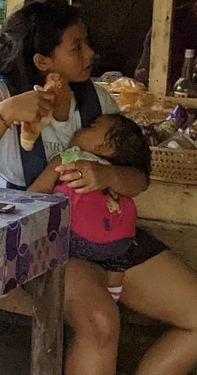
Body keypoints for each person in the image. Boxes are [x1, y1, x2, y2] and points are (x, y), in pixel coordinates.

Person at [0, 0, 197, 375]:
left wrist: (107, 176)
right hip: (33, 240)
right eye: (76, 46)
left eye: (86, 42)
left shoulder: (97, 100)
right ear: (42, 62)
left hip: (106, 235)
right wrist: (5, 115)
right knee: (100, 323)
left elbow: (138, 177)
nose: (90, 53)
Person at [29, 114, 150, 304]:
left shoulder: (68, 158)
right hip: (119, 242)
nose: (80, 128)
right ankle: (113, 294)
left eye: (91, 126)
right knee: (118, 260)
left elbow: (35, 195)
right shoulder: (114, 171)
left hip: (74, 240)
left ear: (103, 147)